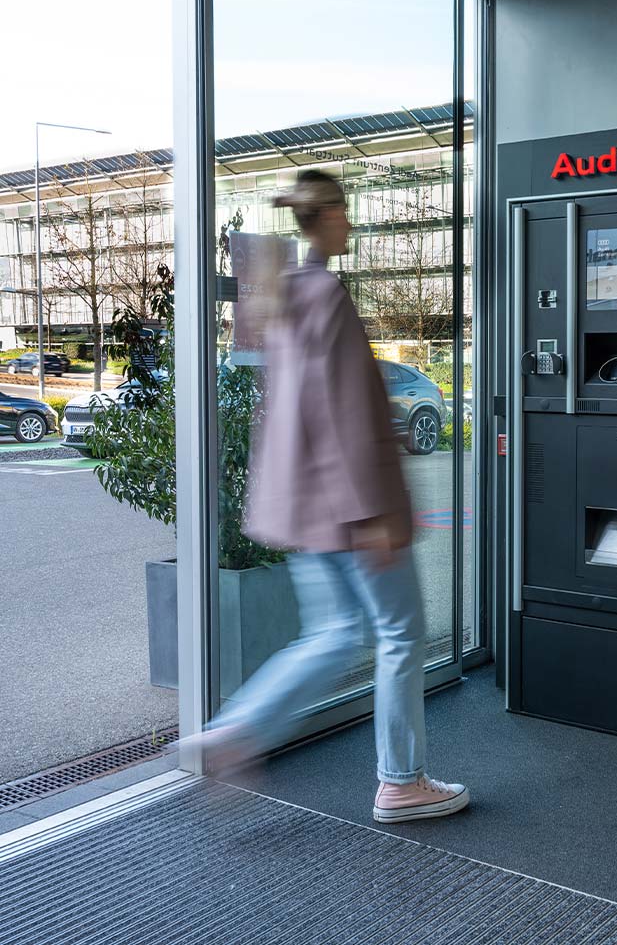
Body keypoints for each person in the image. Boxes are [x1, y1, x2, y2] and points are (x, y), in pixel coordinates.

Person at [192, 170, 469, 825]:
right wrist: (372, 511)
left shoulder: (287, 296)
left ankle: (238, 729)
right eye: (347, 213)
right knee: (401, 635)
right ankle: (401, 781)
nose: (354, 224)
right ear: (331, 217)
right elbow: (344, 411)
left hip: (308, 509)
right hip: (354, 510)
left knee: (339, 633)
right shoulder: (326, 296)